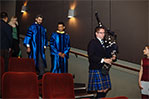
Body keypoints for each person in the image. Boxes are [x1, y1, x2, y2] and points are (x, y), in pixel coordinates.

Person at [87, 26, 115, 98]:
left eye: (103, 33)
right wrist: (103, 60)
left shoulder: (104, 43)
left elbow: (106, 54)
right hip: (96, 68)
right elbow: (91, 56)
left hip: (103, 69)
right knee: (100, 90)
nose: (103, 34)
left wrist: (111, 57)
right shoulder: (93, 42)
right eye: (101, 33)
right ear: (96, 33)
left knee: (106, 88)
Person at [24, 15, 48, 79]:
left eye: (41, 20)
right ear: (36, 19)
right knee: (33, 60)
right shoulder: (32, 27)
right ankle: (31, 74)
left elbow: (45, 37)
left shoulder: (43, 28)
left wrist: (45, 45)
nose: (40, 21)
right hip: (33, 47)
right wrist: (28, 46)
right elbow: (28, 36)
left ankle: (41, 74)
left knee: (41, 59)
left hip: (40, 48)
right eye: (39, 19)